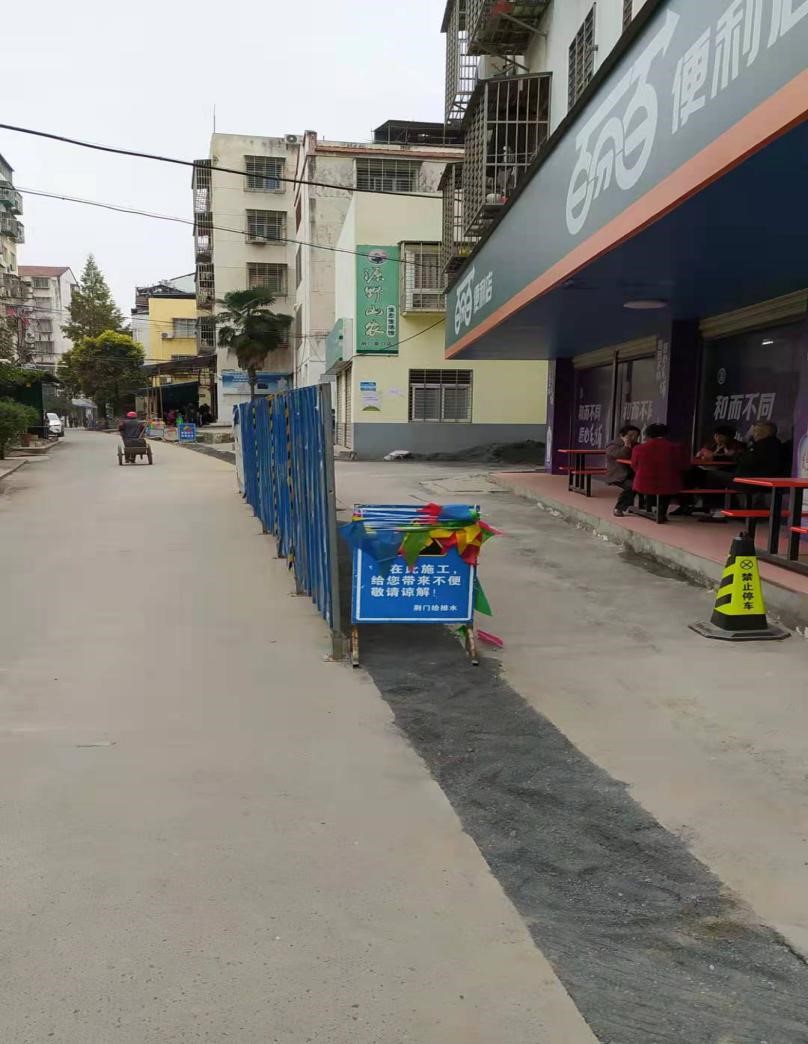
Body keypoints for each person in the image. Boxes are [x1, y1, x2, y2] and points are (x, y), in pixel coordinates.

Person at [630, 423, 688, 522]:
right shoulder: (676, 448)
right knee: (666, 489)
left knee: (652, 489)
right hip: (669, 483)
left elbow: (634, 466)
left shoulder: (638, 448)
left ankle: (651, 509)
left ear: (647, 434)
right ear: (666, 433)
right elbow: (683, 466)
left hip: (643, 483)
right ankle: (661, 511)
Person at [605, 424, 641, 517]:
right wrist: (626, 446)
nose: (633, 438)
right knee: (632, 486)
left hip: (634, 474)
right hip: (618, 475)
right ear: (622, 435)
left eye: (636, 436)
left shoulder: (637, 446)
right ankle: (619, 508)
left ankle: (645, 506)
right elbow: (621, 455)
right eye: (630, 435)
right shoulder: (612, 445)